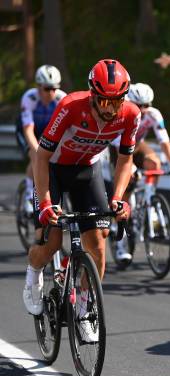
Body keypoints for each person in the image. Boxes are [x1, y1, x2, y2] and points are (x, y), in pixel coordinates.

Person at [23, 59, 140, 343]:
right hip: (53, 168)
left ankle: (85, 309)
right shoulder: (70, 107)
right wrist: (47, 202)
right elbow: (41, 155)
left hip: (87, 170)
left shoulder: (131, 114)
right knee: (50, 242)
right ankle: (33, 275)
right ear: (93, 95)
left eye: (117, 101)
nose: (111, 109)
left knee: (99, 242)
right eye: (104, 101)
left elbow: (125, 159)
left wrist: (118, 199)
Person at [110, 82, 170, 261]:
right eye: (138, 105)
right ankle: (120, 243)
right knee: (125, 187)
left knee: (154, 163)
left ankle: (151, 199)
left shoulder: (154, 115)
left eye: (146, 106)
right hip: (118, 147)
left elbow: (164, 141)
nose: (142, 110)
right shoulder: (121, 111)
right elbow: (115, 141)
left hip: (136, 145)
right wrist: (130, 167)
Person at [16, 65, 67, 213]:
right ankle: (28, 196)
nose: (51, 92)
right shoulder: (29, 97)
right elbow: (28, 129)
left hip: (48, 133)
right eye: (46, 89)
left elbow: (65, 129)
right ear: (38, 87)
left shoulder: (61, 98)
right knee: (35, 156)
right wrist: (39, 152)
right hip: (29, 130)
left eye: (54, 88)